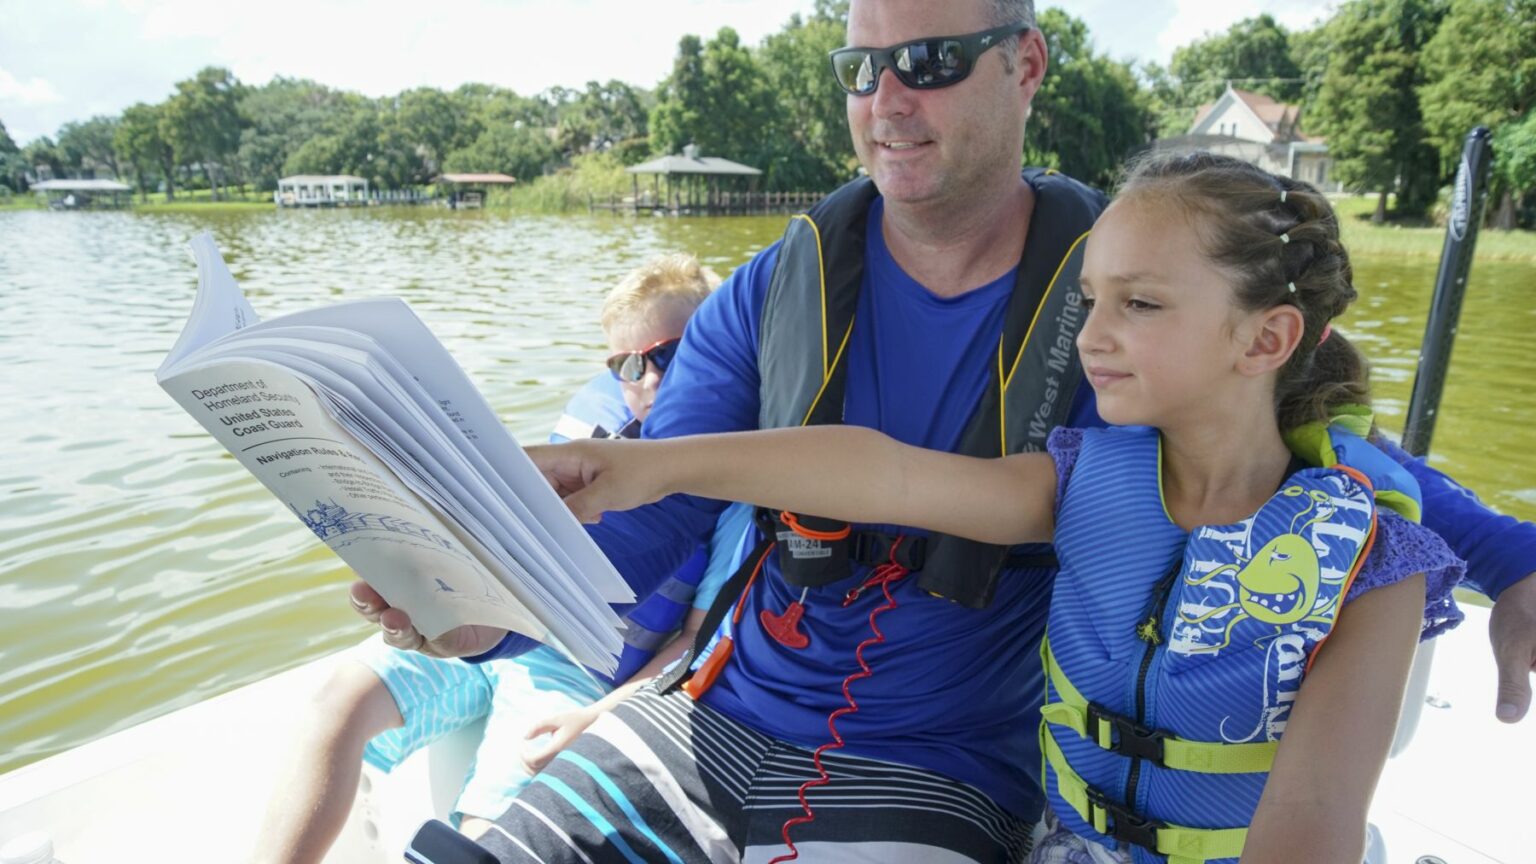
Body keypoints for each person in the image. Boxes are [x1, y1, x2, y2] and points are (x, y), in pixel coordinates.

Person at [354, 1, 1536, 861]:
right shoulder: (775, 291)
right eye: (859, 68)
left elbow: (1330, 454)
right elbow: (668, 534)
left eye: (926, 60)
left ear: (1026, 65)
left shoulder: (1145, 296)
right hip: (715, 718)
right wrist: (484, 612)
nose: (886, 100)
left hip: (944, 768)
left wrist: (1512, 558)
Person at [529, 152, 1465, 864]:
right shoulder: (1079, 483)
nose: (1093, 336)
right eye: (1090, 298)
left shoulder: (1375, 570)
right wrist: (648, 469)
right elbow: (885, 473)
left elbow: (1308, 830)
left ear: (1268, 337)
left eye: (1138, 304)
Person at [252, 253, 744, 862]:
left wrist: (597, 717)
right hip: (493, 629)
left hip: (578, 673)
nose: (646, 380)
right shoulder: (591, 429)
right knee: (335, 705)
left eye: (668, 356)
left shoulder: (731, 485)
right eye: (626, 363)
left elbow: (699, 639)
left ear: (720, 355)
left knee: (493, 823)